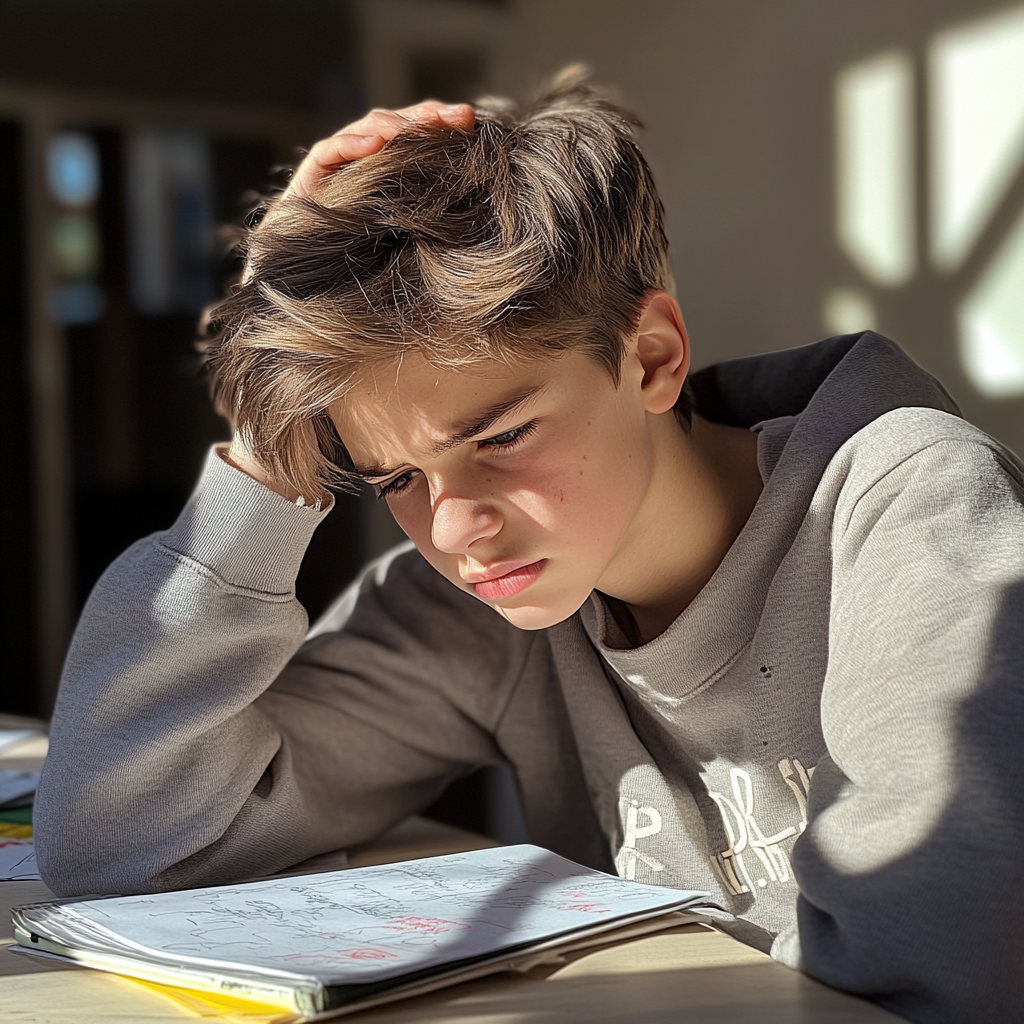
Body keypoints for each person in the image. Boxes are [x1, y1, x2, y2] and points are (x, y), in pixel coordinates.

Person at [34, 70, 1024, 1024]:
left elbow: (958, 974)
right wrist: (269, 442)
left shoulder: (912, 512)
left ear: (651, 358)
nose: (455, 529)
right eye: (395, 481)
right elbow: (127, 841)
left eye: (500, 438)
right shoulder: (479, 613)